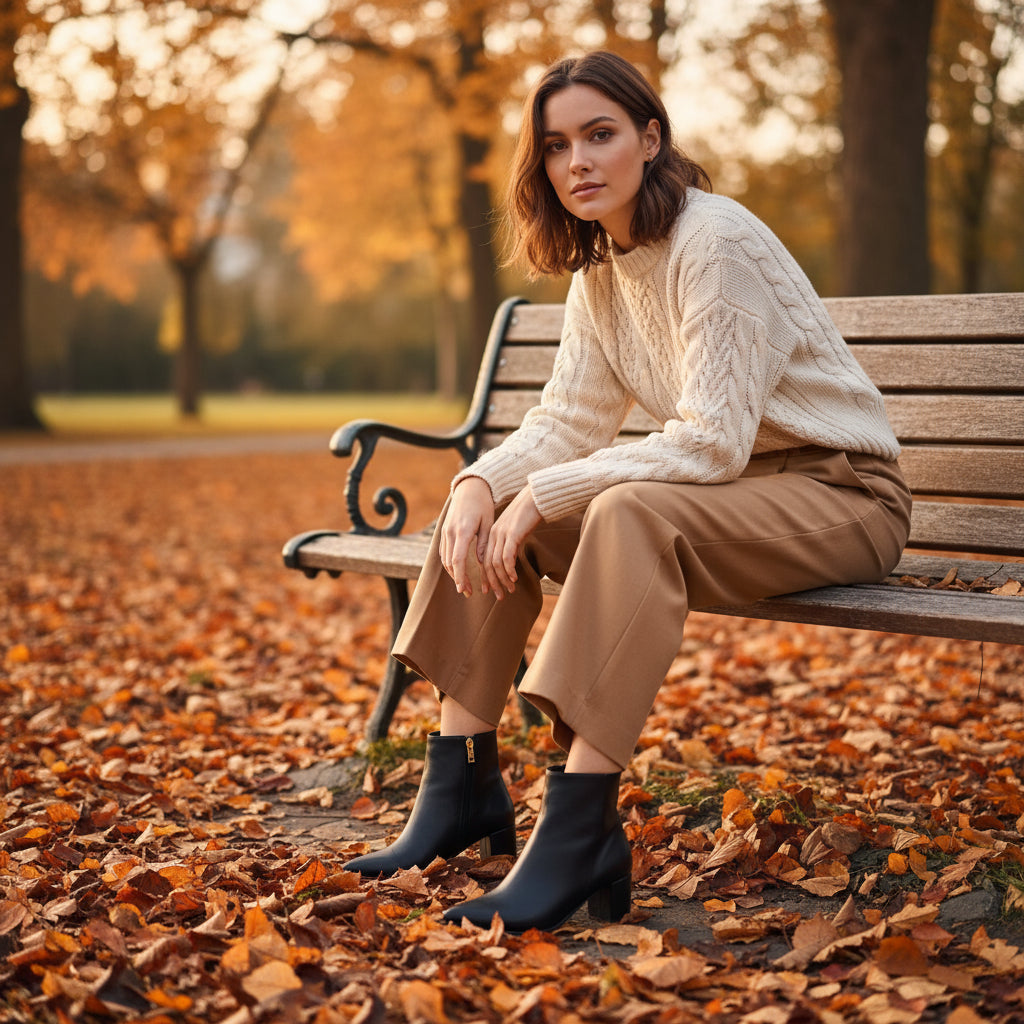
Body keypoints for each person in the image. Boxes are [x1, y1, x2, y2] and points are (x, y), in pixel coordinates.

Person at [345, 51, 911, 933]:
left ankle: (580, 830)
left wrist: (549, 491)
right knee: (512, 511)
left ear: (651, 140)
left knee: (622, 508)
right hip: (730, 499)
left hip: (841, 496)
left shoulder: (713, 242)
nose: (579, 161)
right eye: (558, 144)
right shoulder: (602, 267)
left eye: (601, 135)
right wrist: (480, 484)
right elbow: (569, 421)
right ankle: (461, 787)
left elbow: (713, 440)